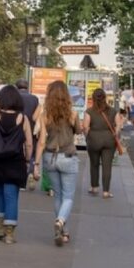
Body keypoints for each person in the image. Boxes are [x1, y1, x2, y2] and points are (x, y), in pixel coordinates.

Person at [34, 80, 82, 246]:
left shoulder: (44, 115)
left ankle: (64, 232)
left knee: (58, 195)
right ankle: (60, 221)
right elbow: (79, 130)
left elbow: (41, 141)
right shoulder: (72, 114)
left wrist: (36, 164)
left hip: (50, 157)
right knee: (68, 196)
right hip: (68, 156)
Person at [0, 86, 33, 243]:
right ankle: (9, 233)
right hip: (15, 161)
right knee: (11, 195)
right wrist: (27, 160)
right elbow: (29, 144)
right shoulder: (23, 118)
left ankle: (0, 227)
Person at [83, 88, 117, 198]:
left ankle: (94, 187)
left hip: (94, 140)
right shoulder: (113, 111)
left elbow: (85, 127)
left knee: (94, 164)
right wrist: (114, 135)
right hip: (109, 140)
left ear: (93, 98)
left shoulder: (89, 111)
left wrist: (87, 137)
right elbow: (118, 127)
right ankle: (106, 191)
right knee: (107, 166)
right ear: (105, 98)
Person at [15, 79, 41, 189]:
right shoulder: (34, 99)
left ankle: (21, 180)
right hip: (31, 128)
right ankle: (30, 171)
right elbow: (37, 116)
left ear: (17, 87)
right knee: (31, 152)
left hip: (17, 129)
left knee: (19, 152)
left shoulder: (15, 98)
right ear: (27, 87)